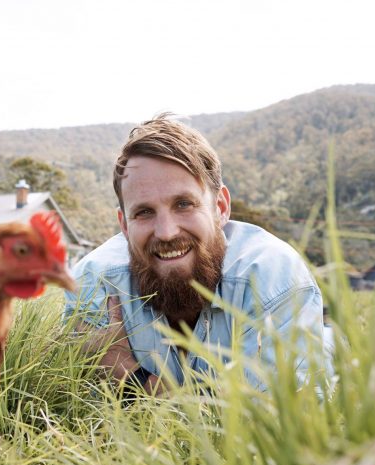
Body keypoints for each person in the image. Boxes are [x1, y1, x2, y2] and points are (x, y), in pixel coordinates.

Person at [65, 114, 331, 394]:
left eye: (183, 204)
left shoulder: (273, 278)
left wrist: (133, 378)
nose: (166, 232)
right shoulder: (93, 283)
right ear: (124, 225)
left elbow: (271, 422)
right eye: (144, 212)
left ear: (220, 207)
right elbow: (84, 410)